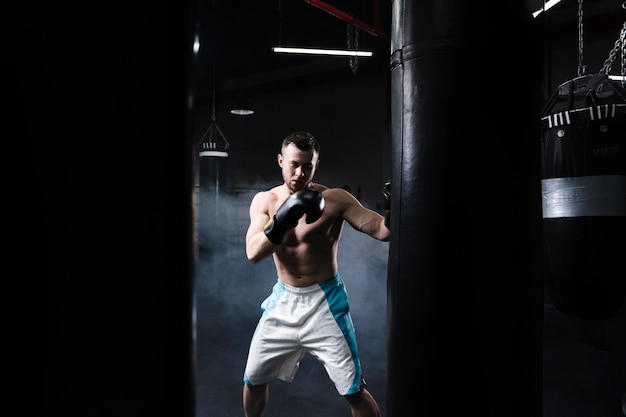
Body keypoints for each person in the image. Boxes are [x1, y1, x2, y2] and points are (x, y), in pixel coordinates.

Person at [243, 131, 391, 417]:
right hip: (283, 302)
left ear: (316, 164)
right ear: (280, 161)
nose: (300, 173)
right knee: (253, 379)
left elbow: (380, 230)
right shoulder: (265, 201)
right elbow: (253, 253)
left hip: (325, 303)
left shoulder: (336, 199)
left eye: (307, 166)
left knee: (353, 390)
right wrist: (283, 219)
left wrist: (397, 211)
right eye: (294, 164)